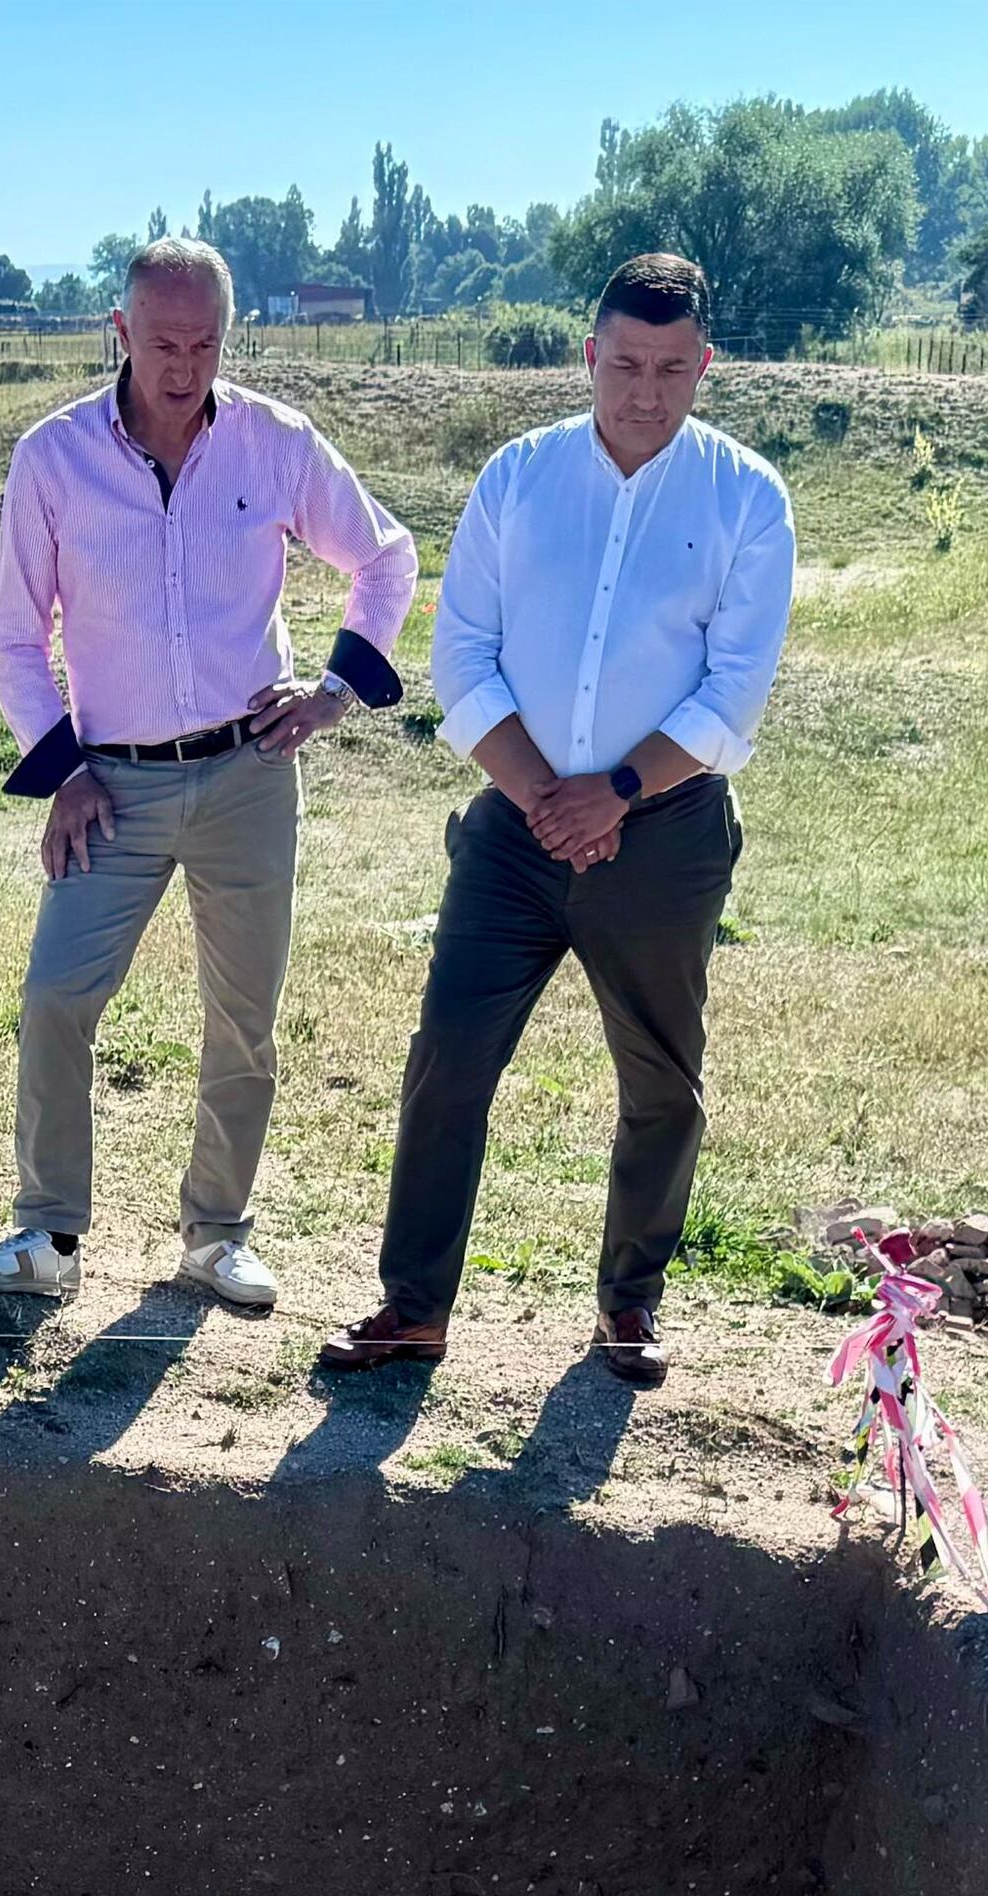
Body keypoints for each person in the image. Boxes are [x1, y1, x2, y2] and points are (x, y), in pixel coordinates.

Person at [317, 250, 791, 1395]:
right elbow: (459, 653)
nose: (644, 390)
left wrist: (615, 792)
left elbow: (731, 692)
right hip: (511, 830)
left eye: (671, 369)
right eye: (624, 363)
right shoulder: (517, 479)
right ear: (589, 354)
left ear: (703, 366)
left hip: (663, 836)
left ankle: (630, 1305)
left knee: (661, 1081)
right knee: (447, 1063)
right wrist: (541, 793)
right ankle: (414, 1306)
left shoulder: (745, 497)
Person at [0, 238, 416, 1317]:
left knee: (242, 1015)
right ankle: (46, 1232)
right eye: (162, 342)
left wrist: (337, 692)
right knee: (55, 997)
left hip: (247, 771)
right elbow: (15, 643)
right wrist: (62, 771)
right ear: (118, 333)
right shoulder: (52, 458)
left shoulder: (274, 444)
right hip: (106, 783)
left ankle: (215, 1237)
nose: (184, 364)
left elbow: (384, 559)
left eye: (205, 343)